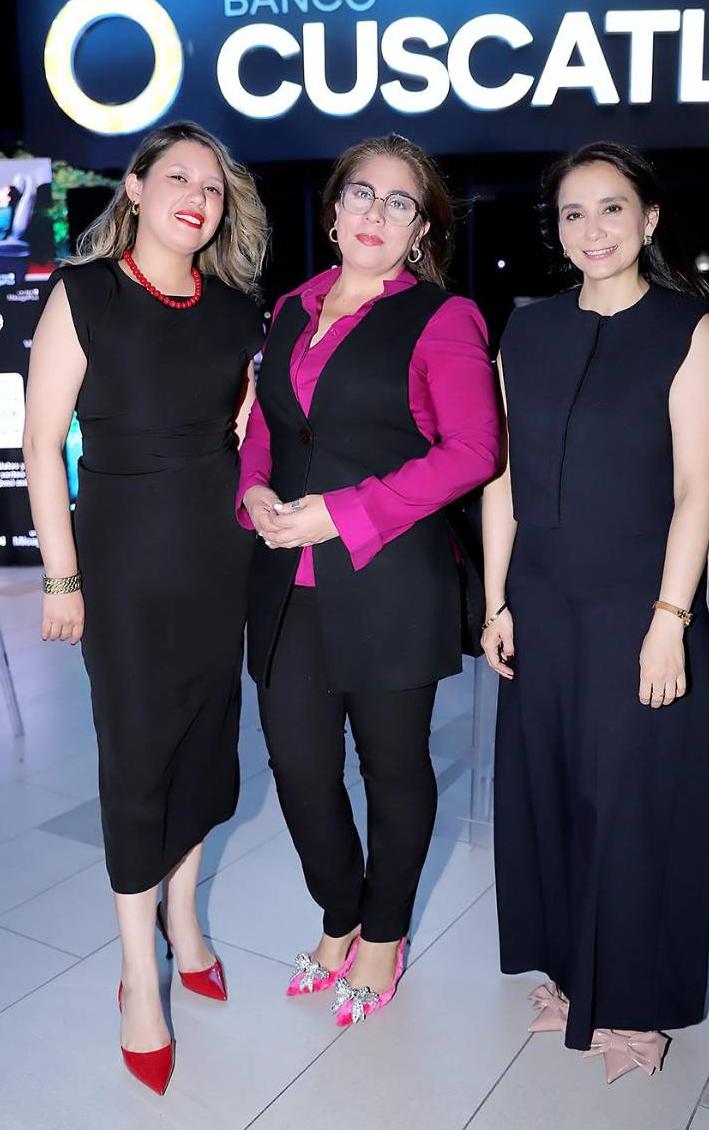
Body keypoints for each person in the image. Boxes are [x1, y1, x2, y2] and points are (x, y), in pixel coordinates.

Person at [23, 121, 268, 1095]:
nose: (197, 199)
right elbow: (42, 443)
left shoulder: (236, 311)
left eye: (212, 187)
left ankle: (184, 921)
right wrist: (61, 576)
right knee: (134, 761)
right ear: (134, 186)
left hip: (217, 563)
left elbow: (242, 434)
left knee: (205, 749)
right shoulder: (84, 294)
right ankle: (138, 973)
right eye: (178, 178)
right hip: (122, 568)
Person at [238, 133, 502, 1025]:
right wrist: (254, 492)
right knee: (299, 770)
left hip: (391, 582)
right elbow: (268, 432)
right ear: (335, 207)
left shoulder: (443, 318)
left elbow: (474, 450)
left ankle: (381, 935)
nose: (375, 214)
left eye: (399, 202)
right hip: (286, 586)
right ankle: (339, 912)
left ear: (422, 229)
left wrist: (344, 512)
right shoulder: (291, 307)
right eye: (361, 193)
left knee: (392, 768)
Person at [482, 141, 709, 1083]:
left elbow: (699, 487)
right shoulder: (527, 330)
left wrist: (670, 619)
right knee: (552, 792)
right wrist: (496, 600)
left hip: (638, 601)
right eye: (574, 213)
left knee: (634, 801)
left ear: (648, 218)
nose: (593, 229)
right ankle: (575, 977)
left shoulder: (688, 329)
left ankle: (637, 1001)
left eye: (612, 208)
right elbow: (503, 476)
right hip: (542, 600)